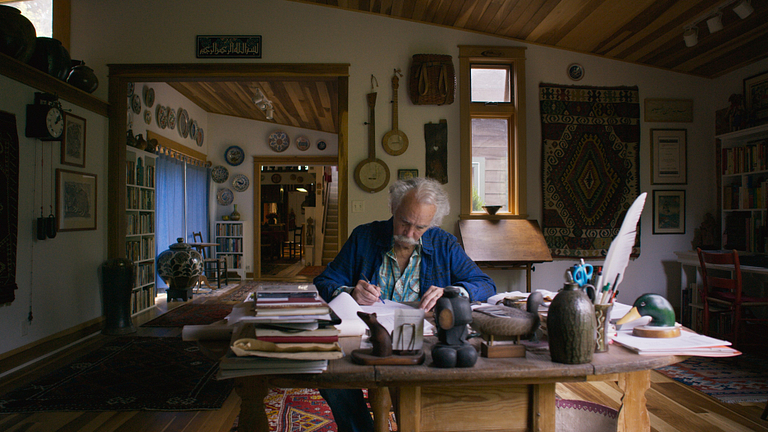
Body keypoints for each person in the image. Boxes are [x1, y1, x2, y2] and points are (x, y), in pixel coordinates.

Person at [313, 177, 496, 432]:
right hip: (366, 336)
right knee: (328, 371)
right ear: (393, 208)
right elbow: (323, 281)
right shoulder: (364, 237)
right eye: (404, 223)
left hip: (423, 338)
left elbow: (485, 284)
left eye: (420, 227)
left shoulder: (443, 243)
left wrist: (451, 292)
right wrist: (350, 292)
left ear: (432, 223)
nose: (409, 235)